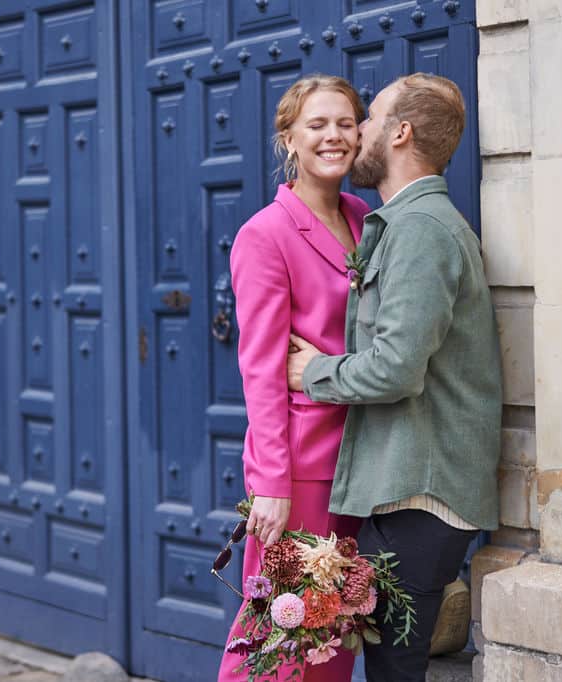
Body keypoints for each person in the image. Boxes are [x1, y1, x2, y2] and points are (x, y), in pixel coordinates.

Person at [286, 73, 503, 682]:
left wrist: (311, 372)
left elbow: (397, 368)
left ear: (401, 132)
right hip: (407, 484)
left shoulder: (419, 231)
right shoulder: (404, 224)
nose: (357, 133)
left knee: (394, 668)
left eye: (370, 118)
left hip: (423, 491)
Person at [216, 75, 370, 682]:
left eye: (346, 122)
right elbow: (260, 368)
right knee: (279, 635)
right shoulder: (266, 234)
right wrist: (271, 483)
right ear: (290, 139)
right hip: (302, 467)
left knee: (335, 630)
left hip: (362, 459)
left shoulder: (364, 218)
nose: (334, 136)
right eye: (317, 124)